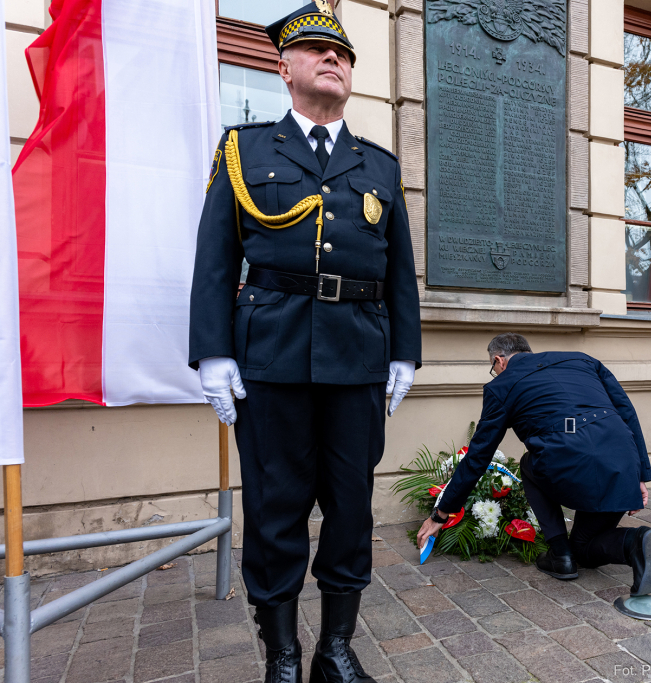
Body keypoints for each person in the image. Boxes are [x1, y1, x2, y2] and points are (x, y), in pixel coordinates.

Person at [188, 2, 421, 681]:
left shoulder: (377, 165)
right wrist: (214, 350)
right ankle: (284, 655)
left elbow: (399, 269)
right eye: (317, 50)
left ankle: (336, 650)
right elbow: (214, 259)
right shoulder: (245, 150)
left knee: (351, 505)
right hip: (272, 353)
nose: (333, 59)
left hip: (357, 355)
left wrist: (404, 350)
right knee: (275, 504)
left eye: (343, 54)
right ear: (282, 66)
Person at [415, 333, 651, 596]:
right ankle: (635, 542)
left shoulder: (501, 386)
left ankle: (560, 554)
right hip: (621, 459)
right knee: (585, 546)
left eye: (493, 367)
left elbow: (478, 456)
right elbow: (627, 412)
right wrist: (638, 475)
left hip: (567, 462)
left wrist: (441, 514)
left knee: (528, 464)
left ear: (499, 360)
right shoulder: (583, 360)